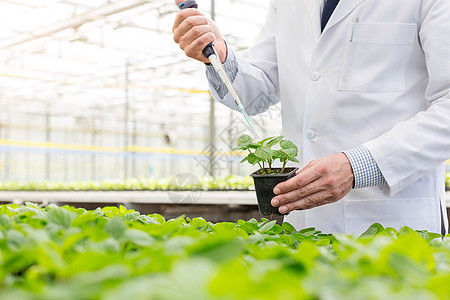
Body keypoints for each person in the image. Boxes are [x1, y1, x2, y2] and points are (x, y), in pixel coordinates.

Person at [173, 0, 450, 235]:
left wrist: (358, 166)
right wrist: (220, 58)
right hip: (304, 223)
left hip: (394, 221)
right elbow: (256, 90)